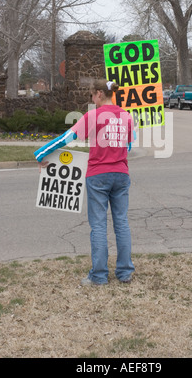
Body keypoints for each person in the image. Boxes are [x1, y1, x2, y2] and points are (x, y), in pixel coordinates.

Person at [34, 79, 135, 286]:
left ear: (99, 93)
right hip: (121, 173)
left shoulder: (93, 116)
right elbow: (129, 145)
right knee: (122, 223)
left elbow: (66, 138)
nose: (92, 99)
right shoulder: (126, 116)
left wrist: (41, 153)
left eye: (92, 95)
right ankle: (124, 272)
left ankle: (99, 276)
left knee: (98, 225)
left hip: (98, 175)